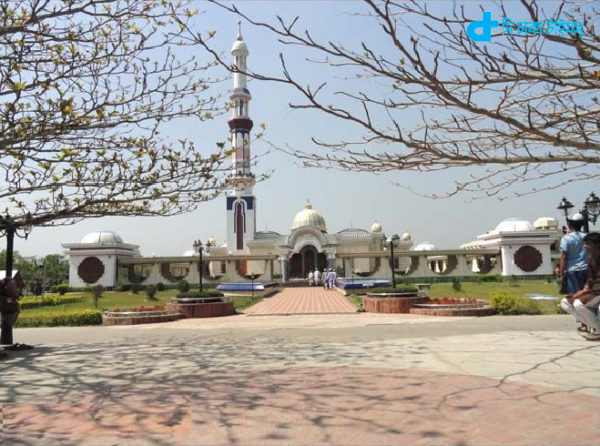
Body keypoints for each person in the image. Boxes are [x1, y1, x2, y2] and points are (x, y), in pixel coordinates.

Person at [563, 232, 600, 341]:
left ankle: (597, 330)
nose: (585, 246)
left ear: (597, 245)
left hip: (597, 293)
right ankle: (594, 327)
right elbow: (590, 280)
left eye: (588, 244)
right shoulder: (590, 260)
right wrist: (582, 291)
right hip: (595, 293)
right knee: (566, 302)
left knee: (578, 303)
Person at [558, 212, 589, 329]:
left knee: (575, 297)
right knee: (586, 296)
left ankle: (584, 323)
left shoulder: (567, 239)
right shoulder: (586, 237)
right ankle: (590, 321)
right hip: (587, 269)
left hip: (573, 271)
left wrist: (561, 273)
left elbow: (564, 257)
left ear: (569, 223)